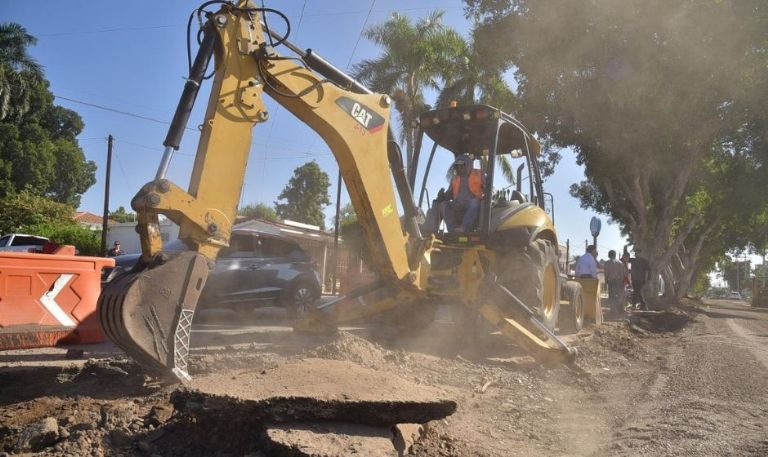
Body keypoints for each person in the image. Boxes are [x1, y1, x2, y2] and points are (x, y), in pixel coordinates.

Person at [440, 154, 484, 233]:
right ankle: (453, 231)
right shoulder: (455, 178)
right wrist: (442, 195)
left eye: (461, 165)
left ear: (467, 165)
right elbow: (449, 194)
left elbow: (488, 187)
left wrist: (486, 194)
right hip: (458, 203)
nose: (459, 168)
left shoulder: (478, 174)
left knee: (474, 202)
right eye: (457, 166)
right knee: (444, 205)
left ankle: (463, 228)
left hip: (472, 202)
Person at [604, 250, 626, 317]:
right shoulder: (620, 263)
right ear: (615, 255)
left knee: (612, 296)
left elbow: (606, 274)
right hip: (620, 282)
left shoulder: (607, 263)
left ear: (609, 255)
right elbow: (623, 273)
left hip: (611, 281)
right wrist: (623, 283)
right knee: (619, 296)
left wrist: (605, 283)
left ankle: (613, 311)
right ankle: (621, 310)